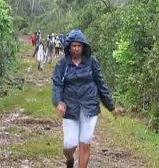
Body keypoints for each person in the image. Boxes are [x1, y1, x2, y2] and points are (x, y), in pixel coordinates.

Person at [52, 29, 124, 168]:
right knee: (69, 144)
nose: (77, 49)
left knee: (85, 143)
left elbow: (101, 84)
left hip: (90, 106)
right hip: (70, 107)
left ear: (84, 46)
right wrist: (59, 102)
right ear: (69, 47)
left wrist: (111, 107)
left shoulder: (92, 62)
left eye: (79, 46)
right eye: (74, 46)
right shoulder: (63, 64)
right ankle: (69, 159)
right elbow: (57, 84)